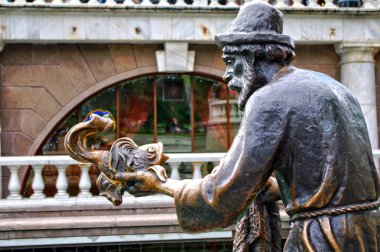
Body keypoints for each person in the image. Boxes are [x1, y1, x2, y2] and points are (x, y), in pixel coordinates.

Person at [115, 3, 380, 251]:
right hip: (367, 233)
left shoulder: (269, 99)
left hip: (323, 239)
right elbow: (337, 177)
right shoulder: (335, 88)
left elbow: (219, 199)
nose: (226, 75)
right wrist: (279, 189)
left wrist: (159, 183)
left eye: (230, 61)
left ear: (251, 57)